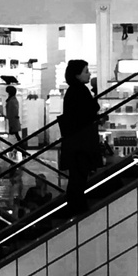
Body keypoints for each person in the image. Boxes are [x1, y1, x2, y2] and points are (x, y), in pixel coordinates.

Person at [57, 60, 102, 216]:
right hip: (81, 143)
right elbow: (90, 110)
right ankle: (77, 207)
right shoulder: (80, 91)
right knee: (79, 177)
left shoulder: (73, 91)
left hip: (74, 142)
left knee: (76, 177)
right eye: (86, 71)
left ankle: (75, 206)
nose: (89, 74)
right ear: (77, 74)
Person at [4, 85, 22, 157]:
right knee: (16, 136)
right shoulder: (13, 100)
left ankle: (13, 149)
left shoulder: (12, 101)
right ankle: (17, 149)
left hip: (13, 122)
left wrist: (10, 124)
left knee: (16, 136)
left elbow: (12, 113)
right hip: (13, 121)